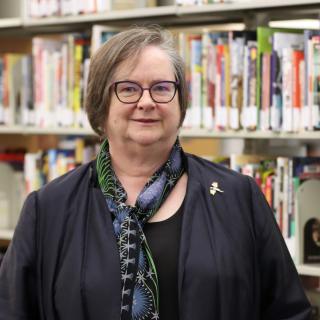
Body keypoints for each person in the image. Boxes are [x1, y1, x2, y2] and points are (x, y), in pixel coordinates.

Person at [0, 26, 311, 320]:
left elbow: (288, 311)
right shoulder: (49, 208)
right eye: (128, 89)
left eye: (162, 88)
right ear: (100, 103)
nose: (146, 102)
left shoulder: (239, 197)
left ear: (180, 102)